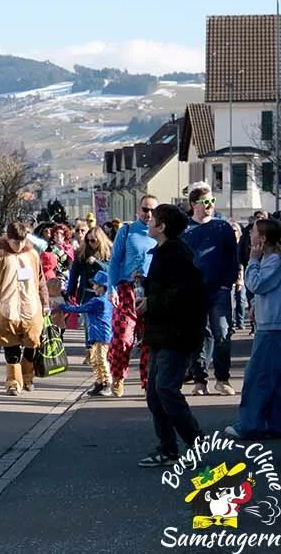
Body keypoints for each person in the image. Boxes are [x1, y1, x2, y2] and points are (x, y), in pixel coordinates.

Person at [137, 203, 207, 468]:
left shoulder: (176, 254)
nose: (149, 221)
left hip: (177, 333)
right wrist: (146, 288)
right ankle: (167, 448)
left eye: (153, 218)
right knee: (155, 394)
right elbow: (165, 288)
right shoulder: (163, 252)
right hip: (161, 332)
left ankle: (196, 442)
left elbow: (187, 294)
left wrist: (151, 302)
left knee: (165, 389)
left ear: (162, 226)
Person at [182, 186, 240, 396]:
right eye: (205, 202)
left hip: (219, 290)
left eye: (212, 201)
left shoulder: (222, 227)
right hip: (194, 292)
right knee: (198, 336)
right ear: (193, 205)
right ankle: (199, 380)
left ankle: (222, 379)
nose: (209, 206)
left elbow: (232, 258)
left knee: (222, 333)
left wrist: (228, 282)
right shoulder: (184, 229)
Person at [0, 222, 51, 395]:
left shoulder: (33, 255)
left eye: (21, 242)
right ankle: (13, 381)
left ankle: (28, 377)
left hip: (31, 308)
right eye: (15, 242)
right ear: (8, 239)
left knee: (32, 344)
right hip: (6, 309)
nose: (19, 245)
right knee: (10, 346)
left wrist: (45, 303)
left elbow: (41, 281)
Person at [227, 217, 281, 440]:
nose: (250, 236)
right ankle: (274, 423)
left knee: (258, 376)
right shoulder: (273, 259)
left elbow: (256, 284)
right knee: (274, 378)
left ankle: (250, 424)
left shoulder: (272, 260)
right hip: (270, 321)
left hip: (272, 326)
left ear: (263, 238)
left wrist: (253, 260)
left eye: (254, 232)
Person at [108, 195, 157, 397]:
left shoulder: (160, 233)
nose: (149, 214)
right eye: (145, 210)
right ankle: (118, 376)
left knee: (149, 339)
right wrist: (112, 288)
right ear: (138, 210)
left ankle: (147, 381)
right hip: (127, 289)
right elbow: (114, 261)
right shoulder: (127, 231)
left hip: (152, 289)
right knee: (122, 337)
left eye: (153, 211)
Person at [57, 270, 114, 396]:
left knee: (100, 359)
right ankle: (99, 382)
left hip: (99, 334)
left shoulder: (98, 301)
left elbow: (79, 309)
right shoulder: (107, 300)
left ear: (102, 287)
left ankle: (106, 384)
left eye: (95, 285)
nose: (93, 287)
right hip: (103, 333)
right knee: (95, 359)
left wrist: (61, 306)